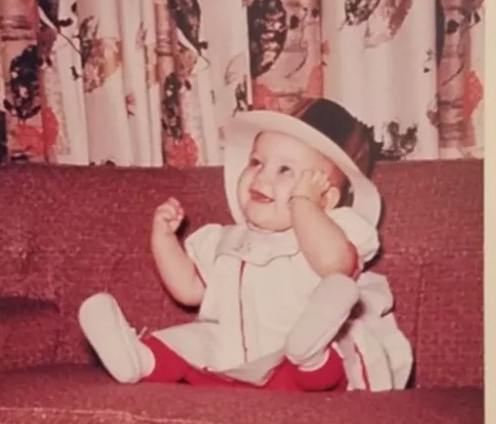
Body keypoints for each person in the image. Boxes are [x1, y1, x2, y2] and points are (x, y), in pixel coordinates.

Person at [79, 98, 412, 392]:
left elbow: (335, 267)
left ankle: (311, 354)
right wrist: (163, 239)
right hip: (236, 357)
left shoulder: (335, 230)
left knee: (324, 359)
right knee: (190, 341)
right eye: (256, 162)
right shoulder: (226, 240)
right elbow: (190, 290)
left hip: (302, 365)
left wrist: (304, 206)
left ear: (326, 199)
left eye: (285, 171)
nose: (262, 176)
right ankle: (139, 358)